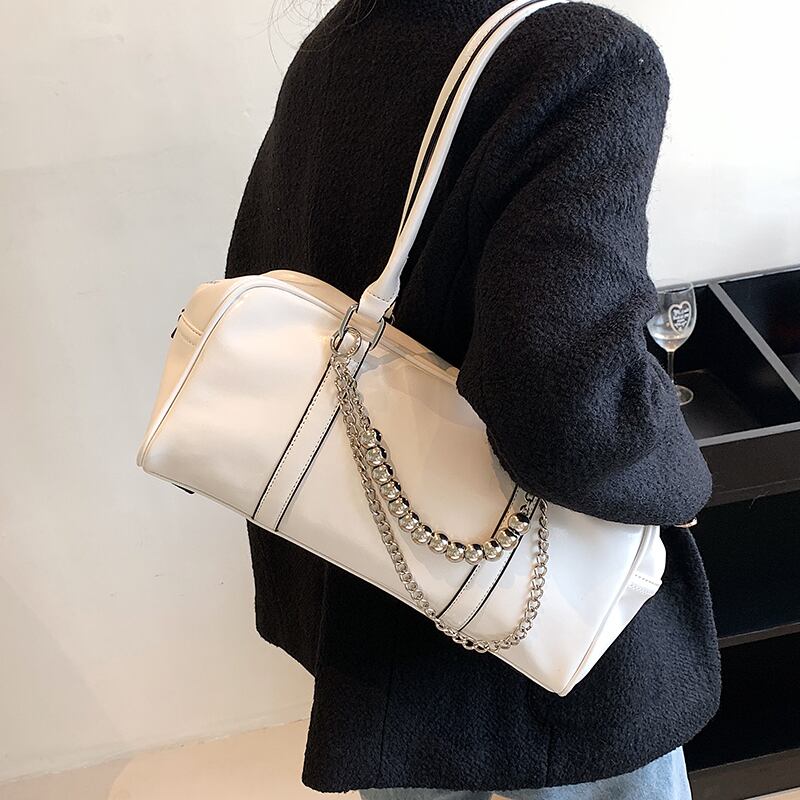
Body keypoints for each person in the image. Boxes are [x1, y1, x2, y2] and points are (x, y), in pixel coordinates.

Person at [224, 0, 721, 797]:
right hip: (543, 611)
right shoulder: (579, 56)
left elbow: (274, 279)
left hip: (378, 589)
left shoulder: (340, 42)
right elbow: (567, 407)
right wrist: (678, 482)